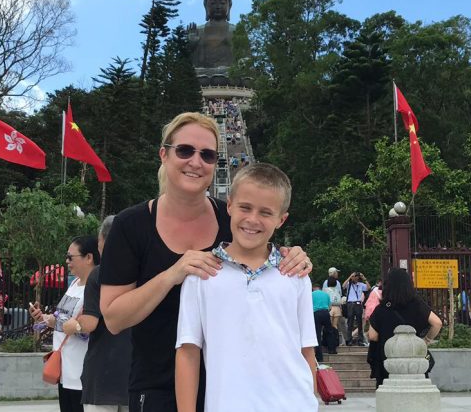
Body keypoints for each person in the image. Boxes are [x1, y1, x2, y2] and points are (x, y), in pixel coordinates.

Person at [100, 112, 312, 412]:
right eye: (185, 150)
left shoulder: (234, 219)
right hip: (157, 384)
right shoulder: (130, 226)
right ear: (164, 154)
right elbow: (112, 318)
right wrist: (173, 273)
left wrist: (296, 257)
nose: (196, 162)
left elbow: (265, 258)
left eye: (208, 155)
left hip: (231, 388)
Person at [176, 163, 317, 412]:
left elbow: (307, 352)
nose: (253, 219)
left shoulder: (295, 275)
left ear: (281, 219)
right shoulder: (202, 274)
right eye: (245, 207)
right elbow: (188, 353)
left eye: (265, 212)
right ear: (229, 205)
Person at [32, 236, 99, 412]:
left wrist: (60, 322)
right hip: (64, 369)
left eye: (71, 257)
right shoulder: (75, 283)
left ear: (89, 258)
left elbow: (88, 326)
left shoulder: (95, 288)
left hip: (81, 371)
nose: (67, 261)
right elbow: (62, 317)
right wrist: (44, 318)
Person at [79, 216, 130, 412]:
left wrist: (73, 324)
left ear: (103, 240)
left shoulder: (99, 274)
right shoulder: (142, 271)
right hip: (135, 370)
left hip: (102, 371)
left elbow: (90, 323)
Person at [367, 268, 442, 387]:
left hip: (388, 359)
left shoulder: (382, 308)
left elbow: (373, 336)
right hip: (413, 357)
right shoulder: (416, 304)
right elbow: (437, 323)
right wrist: (426, 340)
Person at [344, 271, 370, 346]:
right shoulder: (349, 284)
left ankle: (360, 340)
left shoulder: (361, 284)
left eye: (357, 276)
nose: (355, 278)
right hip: (350, 304)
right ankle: (349, 340)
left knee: (359, 322)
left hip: (358, 304)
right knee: (350, 322)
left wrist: (363, 278)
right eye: (354, 276)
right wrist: (350, 276)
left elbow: (368, 287)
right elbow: (343, 286)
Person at [311, 285, 335, 362]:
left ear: (313, 288)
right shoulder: (326, 294)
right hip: (325, 312)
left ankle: (319, 356)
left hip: (316, 314)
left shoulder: (311, 294)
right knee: (329, 331)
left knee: (317, 334)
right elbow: (330, 307)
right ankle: (332, 349)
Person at [321, 268, 345, 346]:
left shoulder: (325, 286)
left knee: (328, 326)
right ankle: (336, 341)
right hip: (337, 308)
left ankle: (328, 342)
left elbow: (324, 297)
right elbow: (340, 296)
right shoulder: (337, 285)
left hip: (329, 308)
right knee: (335, 326)